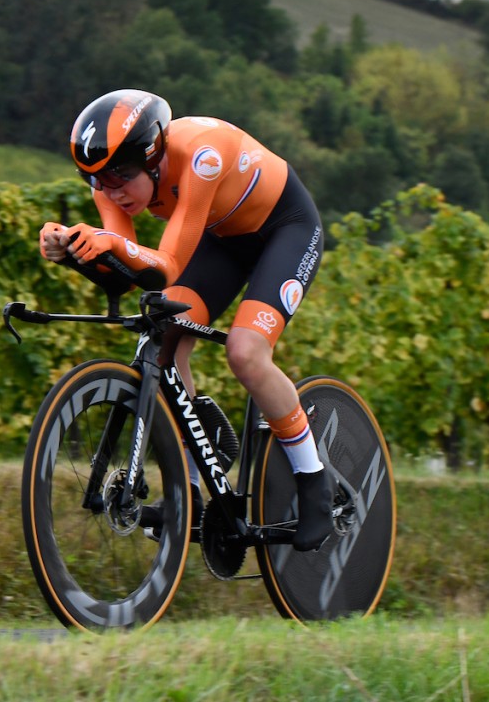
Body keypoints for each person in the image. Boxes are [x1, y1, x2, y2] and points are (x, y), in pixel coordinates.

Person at [39, 89, 331, 551]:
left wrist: (107, 243)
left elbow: (166, 265)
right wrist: (76, 253)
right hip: (221, 238)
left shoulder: (202, 155)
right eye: (95, 178)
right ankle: (191, 492)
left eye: (120, 176)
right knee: (165, 340)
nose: (109, 189)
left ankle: (314, 482)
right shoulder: (110, 184)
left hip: (284, 228)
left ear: (154, 158)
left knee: (246, 352)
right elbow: (127, 276)